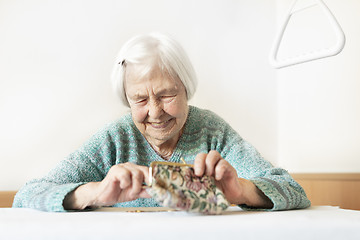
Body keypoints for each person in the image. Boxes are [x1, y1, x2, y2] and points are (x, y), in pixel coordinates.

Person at [13, 32, 310, 212]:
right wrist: (94, 192)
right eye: (140, 100)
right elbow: (27, 196)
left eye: (167, 95)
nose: (155, 112)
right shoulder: (115, 139)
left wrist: (241, 191)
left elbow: (294, 191)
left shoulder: (212, 131)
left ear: (186, 89)